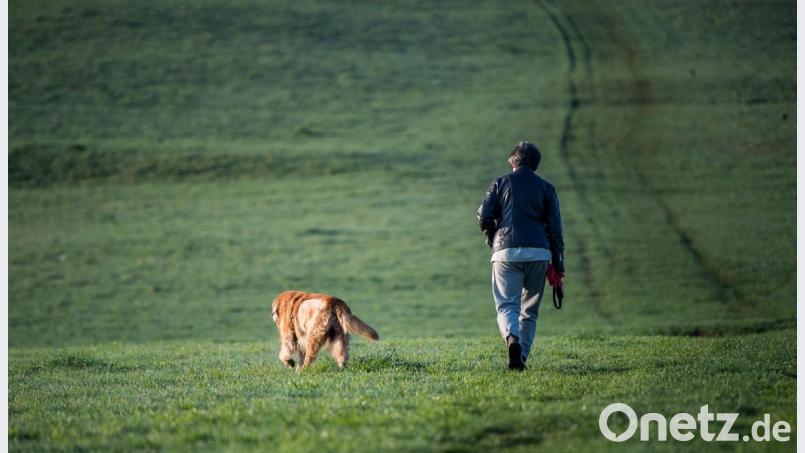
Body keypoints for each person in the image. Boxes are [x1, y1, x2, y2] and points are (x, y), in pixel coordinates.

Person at [477, 141, 565, 370]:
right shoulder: (547, 188)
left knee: (507, 306)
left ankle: (512, 340)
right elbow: (555, 231)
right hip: (538, 253)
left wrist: (492, 238)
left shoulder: (499, 183)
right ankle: (521, 358)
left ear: (513, 161)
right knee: (529, 311)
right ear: (535, 164)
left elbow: (483, 216)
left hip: (505, 253)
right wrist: (559, 266)